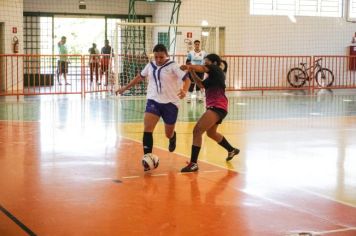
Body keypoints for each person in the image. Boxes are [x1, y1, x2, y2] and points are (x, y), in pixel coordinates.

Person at [115, 44, 191, 171]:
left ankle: (172, 137)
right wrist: (124, 88)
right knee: (147, 129)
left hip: (171, 103)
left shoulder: (173, 66)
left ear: (166, 55)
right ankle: (147, 159)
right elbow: (139, 77)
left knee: (168, 133)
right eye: (156, 57)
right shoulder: (150, 65)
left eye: (161, 57)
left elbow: (187, 79)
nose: (159, 59)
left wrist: (184, 91)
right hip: (153, 101)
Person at [179, 53, 239, 172]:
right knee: (211, 133)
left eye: (206, 62)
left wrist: (189, 67)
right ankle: (231, 149)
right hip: (217, 107)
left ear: (214, 63)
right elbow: (200, 84)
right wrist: (191, 72)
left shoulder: (216, 69)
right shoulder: (211, 77)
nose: (204, 65)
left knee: (197, 130)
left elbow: (202, 68)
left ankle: (193, 163)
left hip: (217, 106)